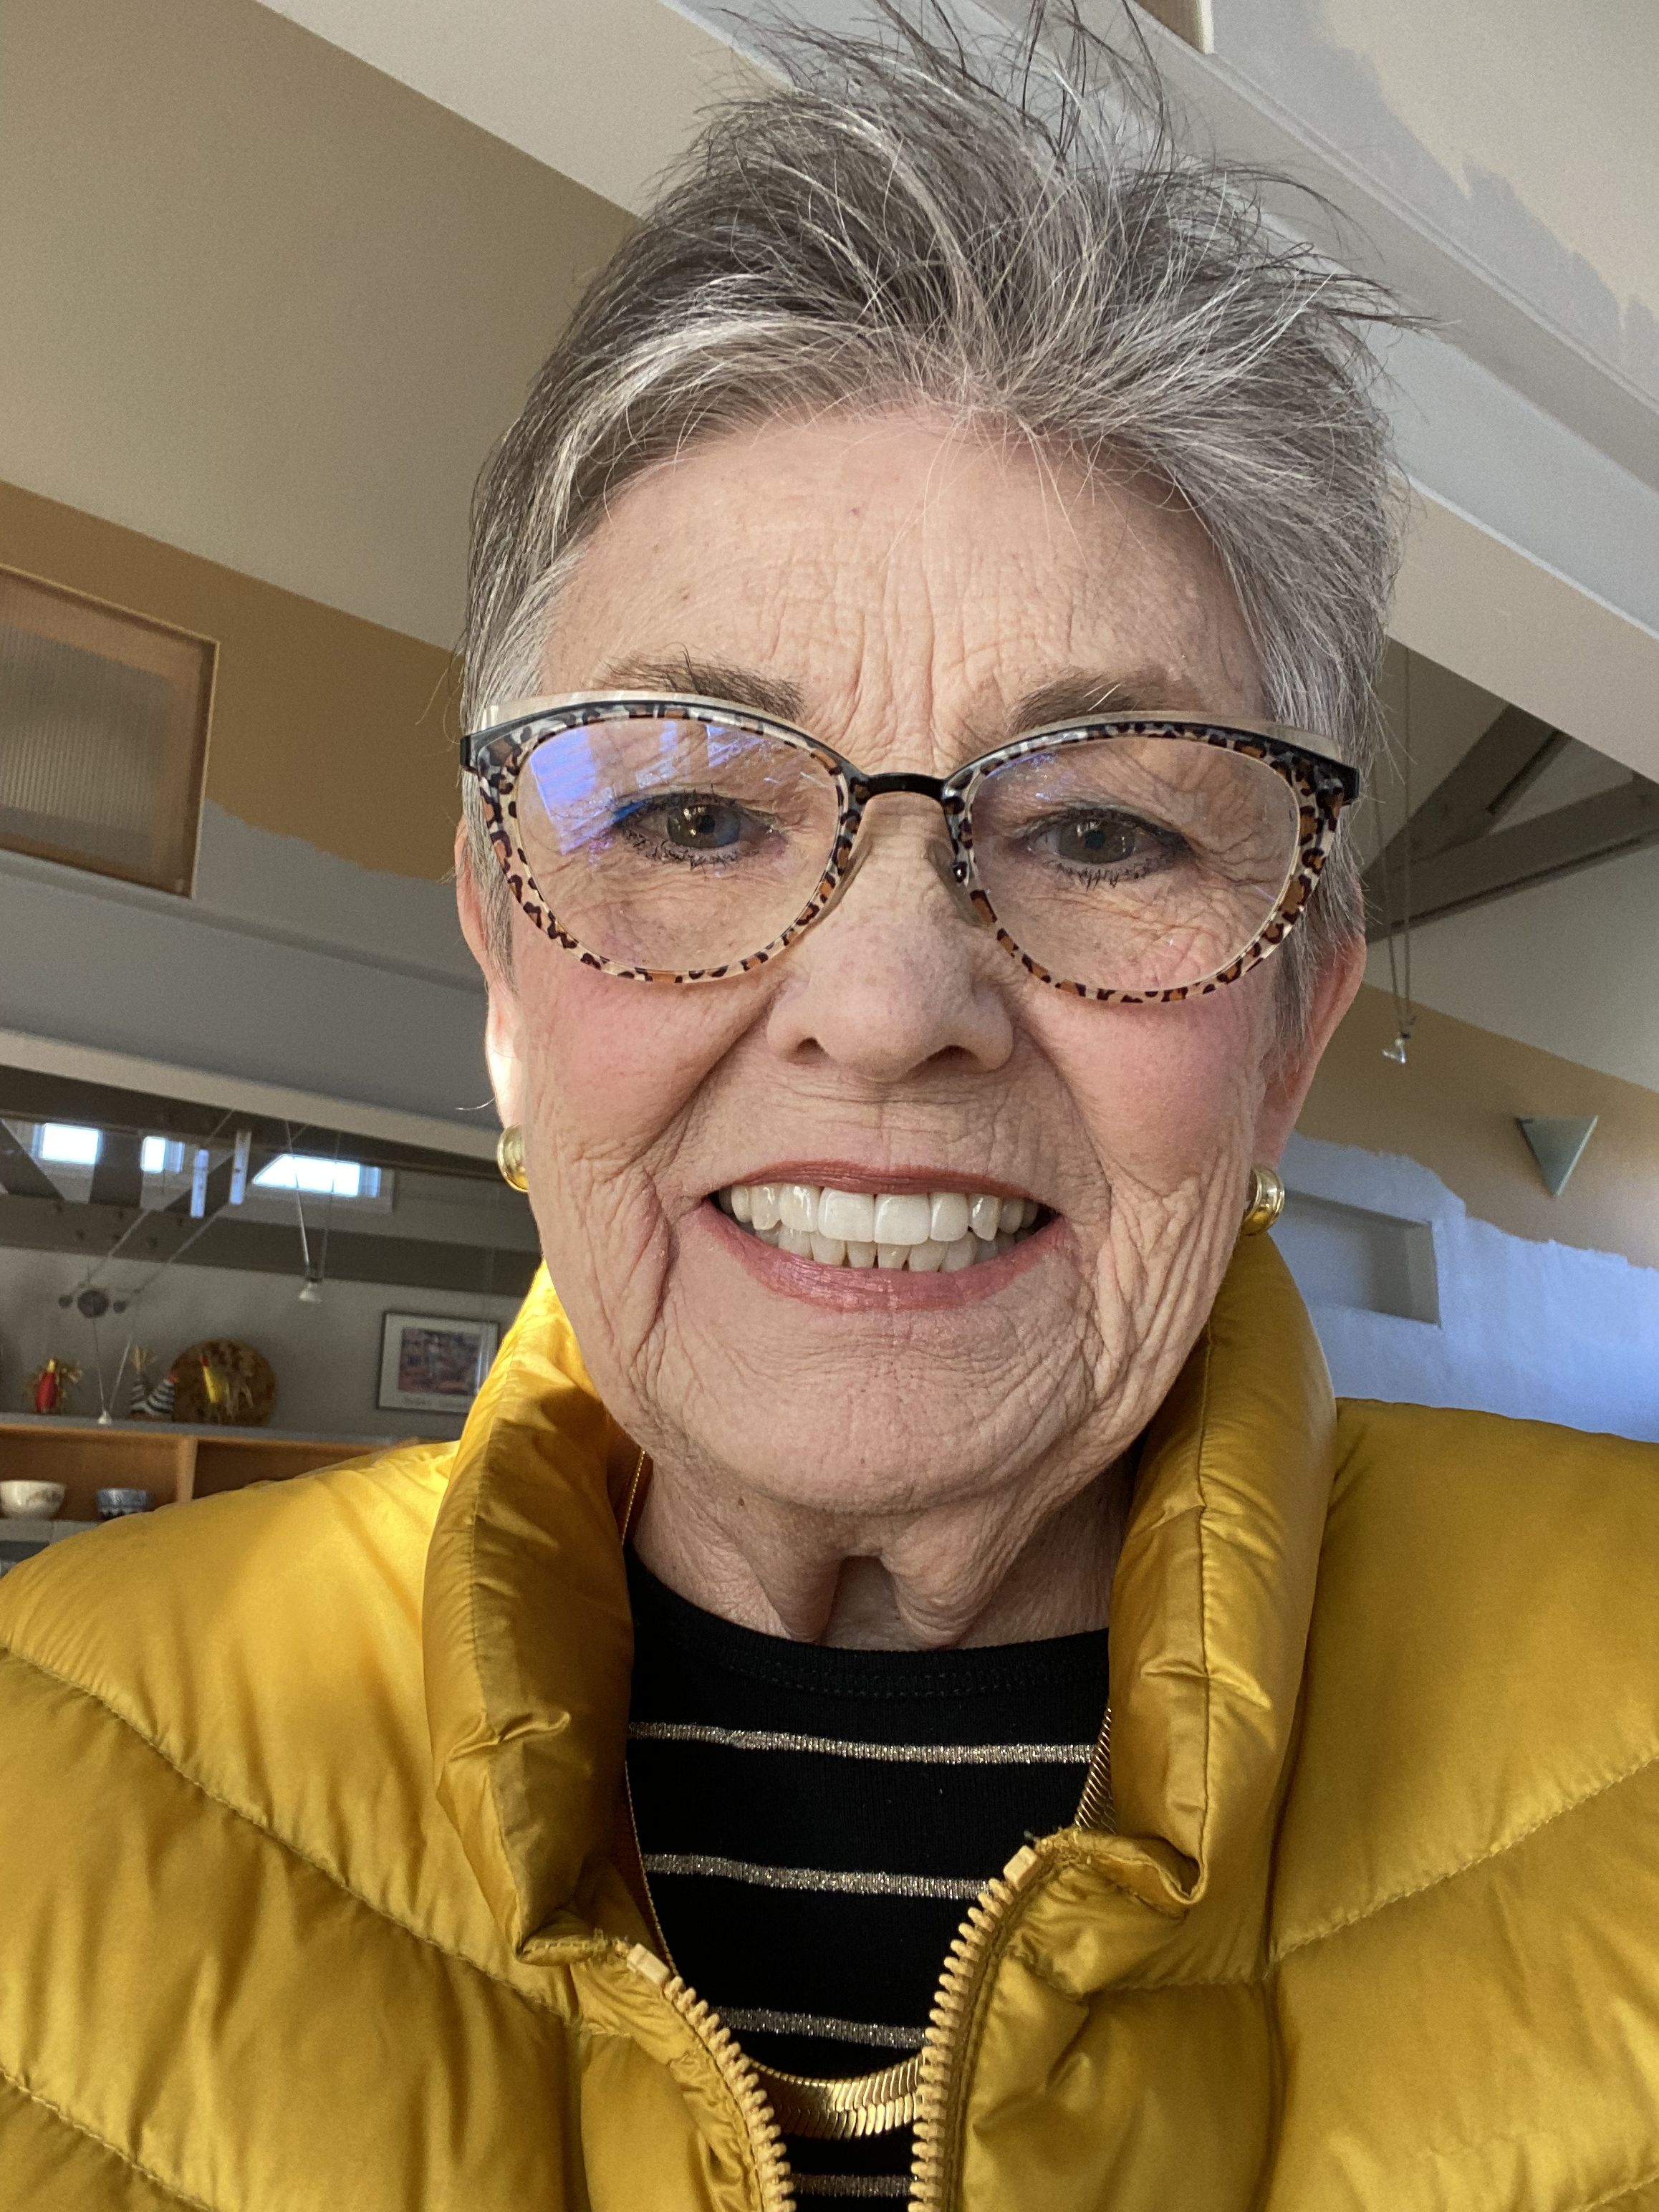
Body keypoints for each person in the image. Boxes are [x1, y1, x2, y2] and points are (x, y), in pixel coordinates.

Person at [3, 9, 1656, 2208]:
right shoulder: (41, 1752)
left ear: (1286, 1034)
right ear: (502, 962)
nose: (884, 1007)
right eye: (691, 811)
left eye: (1107, 835)